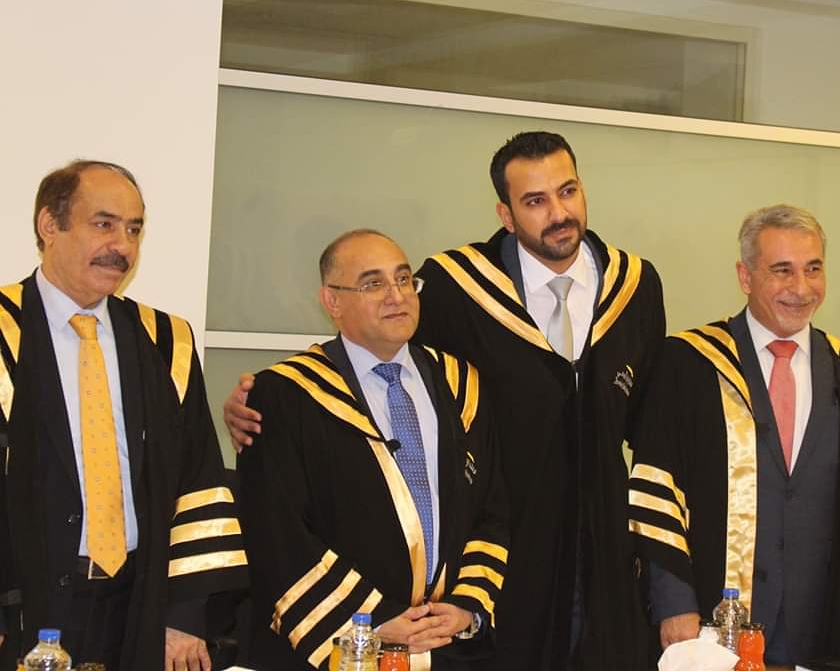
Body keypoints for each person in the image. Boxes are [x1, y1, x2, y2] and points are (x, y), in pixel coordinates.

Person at [226, 132, 665, 670]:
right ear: (506, 214)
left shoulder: (637, 287)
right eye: (535, 200)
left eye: (568, 191)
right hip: (508, 573)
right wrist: (265, 401)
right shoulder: (457, 289)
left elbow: (650, 427)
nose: (558, 213)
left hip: (599, 558)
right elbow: (370, 352)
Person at [629, 204, 840, 666]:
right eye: (782, 270)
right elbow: (656, 492)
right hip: (712, 624)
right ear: (745, 276)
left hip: (823, 624)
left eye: (813, 269)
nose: (801, 288)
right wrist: (673, 602)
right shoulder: (688, 365)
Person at [0, 161, 248, 670]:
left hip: (139, 605)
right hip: (20, 605)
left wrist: (183, 615)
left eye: (134, 229)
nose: (122, 246)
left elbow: (198, 480)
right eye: (104, 224)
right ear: (49, 225)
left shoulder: (165, 340)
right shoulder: (5, 330)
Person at [236, 229, 508, 671]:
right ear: (332, 302)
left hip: (444, 646)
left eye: (404, 279)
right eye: (373, 284)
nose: (396, 296)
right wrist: (372, 620)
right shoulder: (285, 395)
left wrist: (466, 607)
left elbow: (492, 511)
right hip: (339, 647)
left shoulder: (461, 385)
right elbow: (275, 532)